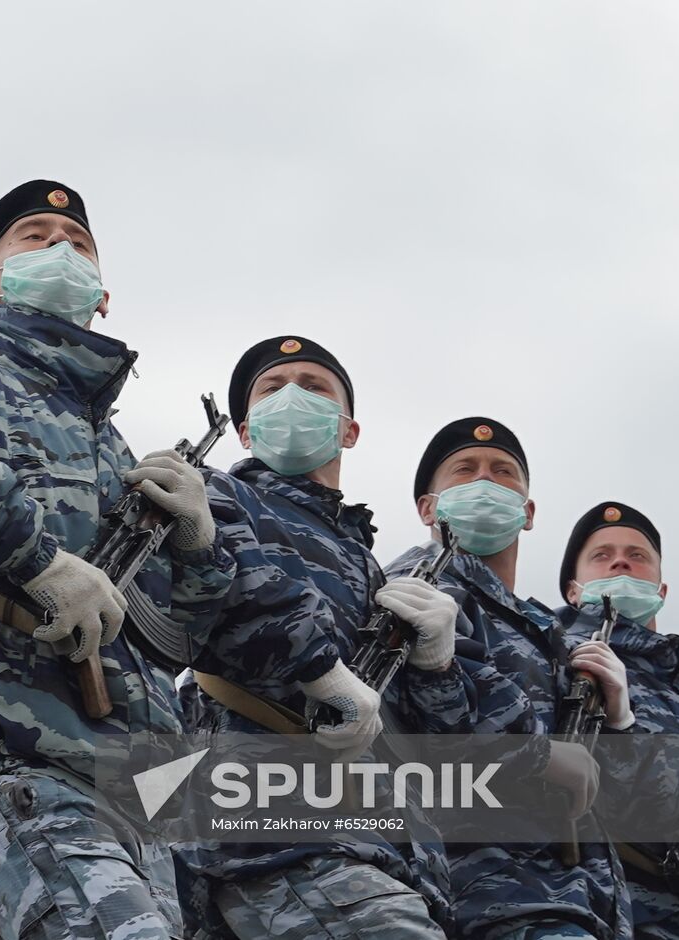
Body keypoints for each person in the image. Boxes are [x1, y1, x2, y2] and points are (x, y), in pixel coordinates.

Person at [0, 180, 235, 940]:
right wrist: (37, 560)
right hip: (15, 755)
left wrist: (199, 547)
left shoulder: (114, 450)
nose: (61, 250)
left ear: (104, 295)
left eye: (78, 243)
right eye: (35, 236)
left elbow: (179, 638)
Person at [180, 336, 465, 939]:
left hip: (382, 841)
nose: (291, 397)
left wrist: (437, 665)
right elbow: (223, 599)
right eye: (271, 388)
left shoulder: (366, 563)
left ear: (349, 430)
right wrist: (320, 668)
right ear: (246, 430)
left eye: (313, 387)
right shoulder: (219, 496)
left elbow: (430, 740)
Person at [386, 417, 633, 939]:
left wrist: (618, 721)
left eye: (503, 472)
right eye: (465, 471)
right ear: (428, 508)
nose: (486, 482)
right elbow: (430, 728)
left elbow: (595, 785)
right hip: (483, 889)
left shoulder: (547, 631)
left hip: (577, 896)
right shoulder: (421, 587)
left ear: (528, 513)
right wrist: (542, 753)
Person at [555, 501, 679, 939]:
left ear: (661, 590)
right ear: (573, 591)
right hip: (616, 908)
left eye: (638, 556)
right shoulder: (557, 661)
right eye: (602, 556)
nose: (621, 561)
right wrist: (622, 725)